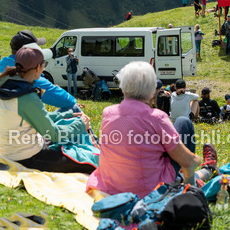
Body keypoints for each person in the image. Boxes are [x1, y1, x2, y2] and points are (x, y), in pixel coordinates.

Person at [87, 62, 217, 197]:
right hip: (150, 189)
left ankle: (204, 171)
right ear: (151, 91)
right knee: (183, 123)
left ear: (123, 88)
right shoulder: (156, 117)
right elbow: (184, 159)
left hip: (111, 186)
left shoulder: (108, 113)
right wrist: (194, 160)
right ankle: (200, 176)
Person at [0, 46, 96, 173]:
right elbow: (54, 135)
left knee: (70, 139)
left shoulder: (5, 85)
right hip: (28, 158)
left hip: (9, 152)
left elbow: (33, 117)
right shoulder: (27, 97)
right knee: (91, 160)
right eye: (44, 64)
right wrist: (81, 125)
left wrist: (65, 115)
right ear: (37, 68)